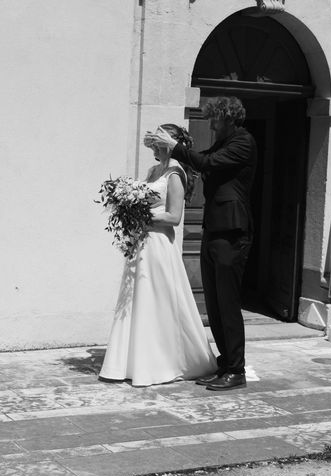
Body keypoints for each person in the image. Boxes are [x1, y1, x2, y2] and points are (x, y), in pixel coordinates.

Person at [98, 124, 217, 387]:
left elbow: (174, 217)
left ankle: (164, 360)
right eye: (151, 141)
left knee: (159, 299)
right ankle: (131, 362)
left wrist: (141, 214)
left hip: (160, 244)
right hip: (141, 243)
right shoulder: (154, 171)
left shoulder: (176, 173)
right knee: (138, 299)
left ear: (168, 143)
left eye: (157, 141)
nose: (153, 146)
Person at [152, 97, 257, 391]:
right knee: (213, 302)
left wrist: (174, 146)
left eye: (215, 119)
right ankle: (225, 363)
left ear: (228, 118)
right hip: (215, 228)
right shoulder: (224, 143)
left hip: (233, 232)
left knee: (228, 302)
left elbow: (207, 162)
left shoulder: (243, 142)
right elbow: (198, 159)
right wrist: (168, 150)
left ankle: (237, 370)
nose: (211, 124)